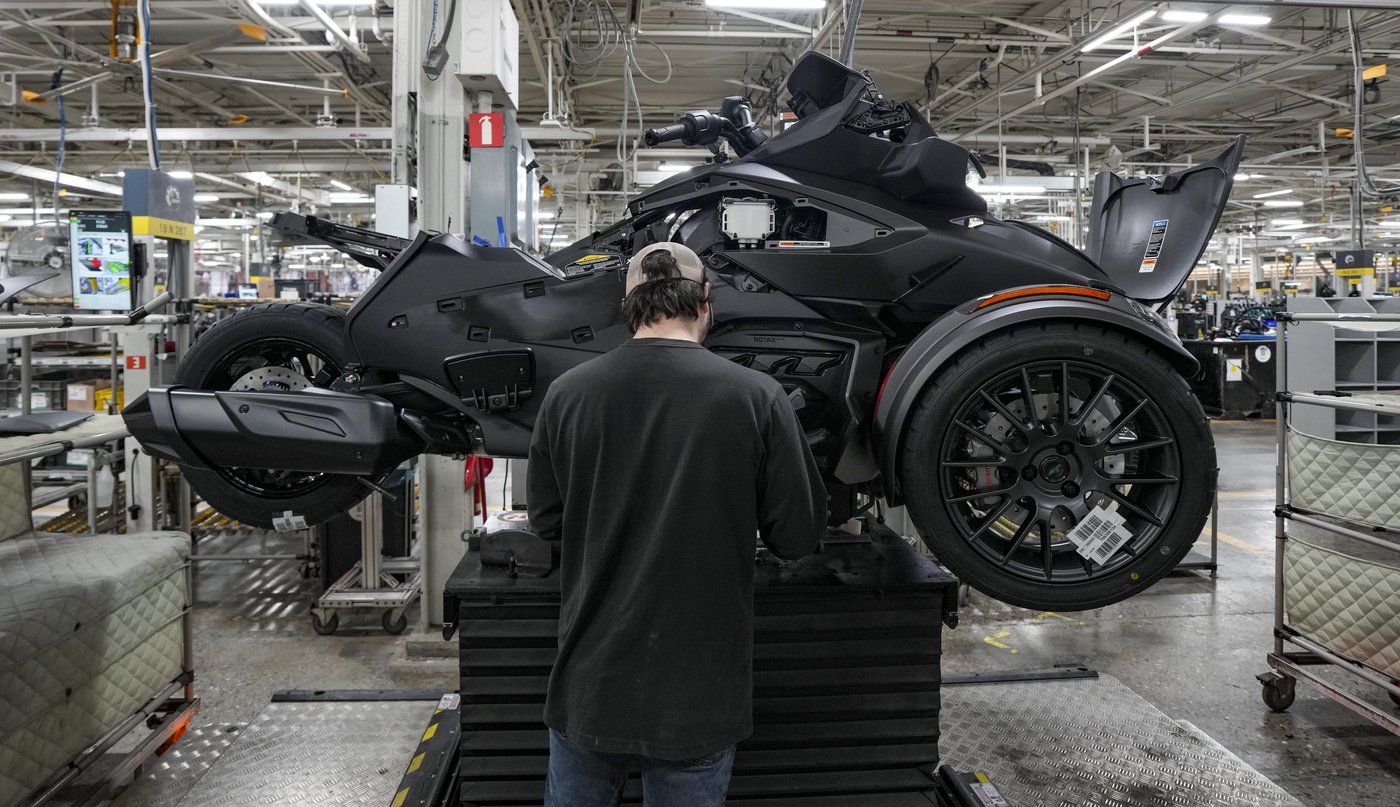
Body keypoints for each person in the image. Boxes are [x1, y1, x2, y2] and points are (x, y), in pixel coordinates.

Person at [527, 242, 827, 806]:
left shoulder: (566, 395)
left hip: (590, 680)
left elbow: (546, 523)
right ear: (706, 301)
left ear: (629, 304)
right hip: (700, 687)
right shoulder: (757, 397)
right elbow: (797, 537)